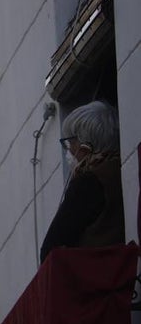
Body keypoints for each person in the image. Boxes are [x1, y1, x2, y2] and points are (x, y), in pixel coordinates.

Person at [40, 100, 124, 264]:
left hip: (97, 273)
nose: (69, 150)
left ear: (85, 147)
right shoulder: (123, 168)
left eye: (70, 143)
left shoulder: (88, 182)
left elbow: (50, 251)